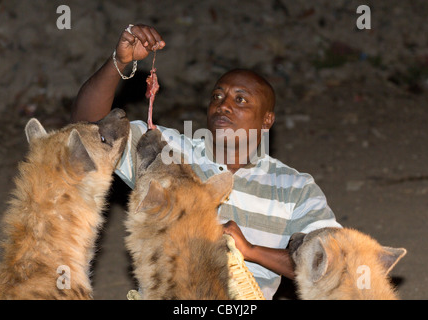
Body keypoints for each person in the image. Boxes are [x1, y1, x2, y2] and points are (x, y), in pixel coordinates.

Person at [71, 24, 341, 300]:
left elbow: (334, 268)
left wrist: (251, 251)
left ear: (267, 120)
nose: (223, 105)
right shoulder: (169, 151)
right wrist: (119, 62)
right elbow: (91, 130)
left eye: (241, 100)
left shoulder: (294, 188)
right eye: (217, 96)